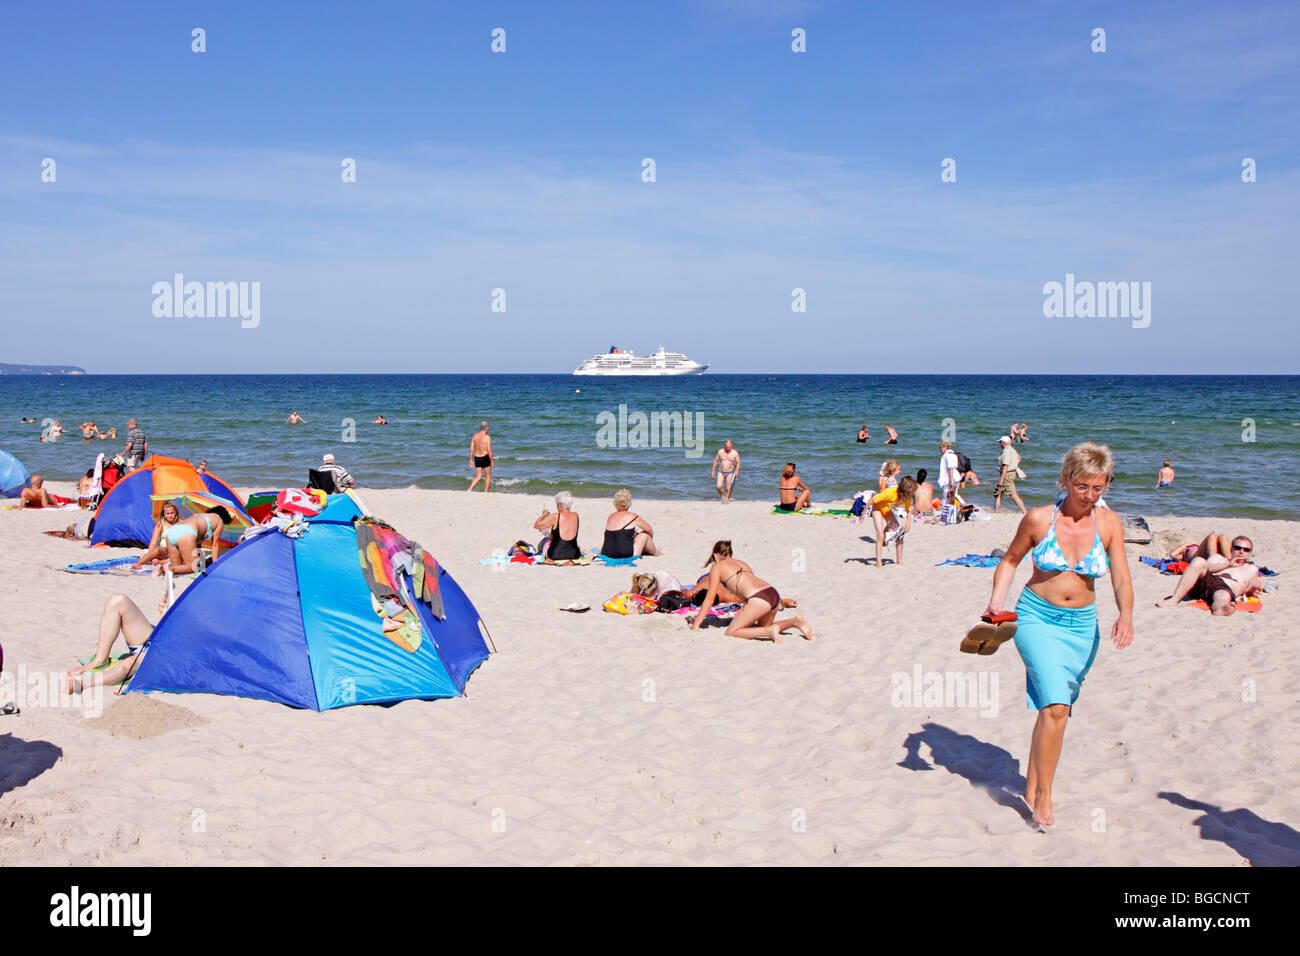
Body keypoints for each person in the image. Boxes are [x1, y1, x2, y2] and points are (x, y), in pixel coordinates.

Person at [980, 441, 1133, 826]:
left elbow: (1121, 577)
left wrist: (1125, 615)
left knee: (1056, 707)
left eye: (1098, 488)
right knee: (1056, 708)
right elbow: (1010, 561)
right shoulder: (1038, 519)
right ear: (1067, 479)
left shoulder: (1109, 524)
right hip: (1037, 618)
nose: (1090, 495)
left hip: (1083, 627)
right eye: (1083, 486)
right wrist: (997, 604)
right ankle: (1044, 796)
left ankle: (1032, 783)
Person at [690, 540, 812, 641]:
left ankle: (768, 632)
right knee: (760, 627)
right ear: (731, 554)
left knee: (732, 632)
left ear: (716, 555)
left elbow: (709, 599)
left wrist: (696, 625)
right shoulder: (742, 563)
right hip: (772, 593)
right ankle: (794, 622)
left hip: (758, 599)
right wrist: (781, 602)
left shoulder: (717, 568)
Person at [65, 592, 165, 695]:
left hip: (166, 653)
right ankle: (100, 660)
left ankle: (81, 685)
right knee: (117, 600)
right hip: (158, 638)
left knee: (129, 664)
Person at [1156, 535, 1264, 615]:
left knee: (1223, 595)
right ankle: (1175, 599)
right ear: (1231, 549)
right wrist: (1228, 565)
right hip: (1206, 581)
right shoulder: (1219, 558)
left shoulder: (1251, 569)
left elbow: (1247, 588)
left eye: (1246, 550)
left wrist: (1255, 587)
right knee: (1198, 560)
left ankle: (1221, 609)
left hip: (1223, 589)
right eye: (1238, 548)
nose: (1241, 552)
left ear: (1250, 553)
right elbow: (1206, 567)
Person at [166, 506, 230, 574]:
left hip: (172, 530)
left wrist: (200, 561)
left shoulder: (200, 515)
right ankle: (168, 569)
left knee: (177, 567)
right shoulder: (219, 521)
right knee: (193, 567)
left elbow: (197, 548)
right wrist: (215, 566)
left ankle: (162, 568)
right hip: (187, 531)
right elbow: (215, 545)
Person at [869, 476, 916, 567]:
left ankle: (899, 560)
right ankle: (879, 562)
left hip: (886, 510)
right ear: (906, 490)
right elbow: (874, 499)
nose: (912, 494)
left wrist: (908, 523)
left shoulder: (906, 497)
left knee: (900, 534)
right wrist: (863, 513)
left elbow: (909, 510)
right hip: (877, 508)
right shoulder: (891, 492)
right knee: (880, 536)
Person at [602, 489, 661, 557]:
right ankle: (655, 553)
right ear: (628, 503)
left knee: (628, 535)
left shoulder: (610, 516)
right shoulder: (632, 516)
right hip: (624, 553)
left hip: (606, 552)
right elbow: (649, 529)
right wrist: (649, 540)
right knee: (644, 535)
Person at [133, 500, 182, 571]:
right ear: (164, 514)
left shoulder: (181, 522)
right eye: (167, 514)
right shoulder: (161, 524)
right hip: (165, 550)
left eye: (172, 513)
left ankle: (160, 562)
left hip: (177, 550)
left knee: (180, 556)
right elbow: (153, 542)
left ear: (176, 512)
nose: (170, 516)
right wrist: (152, 556)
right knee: (157, 550)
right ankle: (138, 564)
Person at [534, 491, 581, 564]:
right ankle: (569, 562)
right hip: (574, 554)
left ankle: (551, 561)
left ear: (560, 504)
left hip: (556, 554)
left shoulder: (556, 516)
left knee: (545, 544)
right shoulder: (575, 516)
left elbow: (537, 525)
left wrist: (544, 514)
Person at [995, 436, 1027, 514]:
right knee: (999, 492)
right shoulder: (1012, 450)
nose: (999, 444)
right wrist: (1014, 465)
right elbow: (1019, 458)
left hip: (1007, 475)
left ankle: (1025, 512)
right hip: (1011, 473)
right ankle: (996, 510)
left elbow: (1006, 465)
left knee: (1013, 494)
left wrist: (1002, 479)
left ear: (1004, 443)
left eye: (1000, 442)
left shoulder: (1006, 451)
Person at [468, 421, 493, 492]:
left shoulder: (475, 436)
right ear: (487, 428)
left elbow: (471, 449)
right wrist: (492, 461)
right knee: (488, 476)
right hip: (485, 457)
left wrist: (471, 460)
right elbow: (489, 450)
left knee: (478, 476)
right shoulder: (487, 437)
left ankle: (469, 489)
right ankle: (485, 492)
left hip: (477, 457)